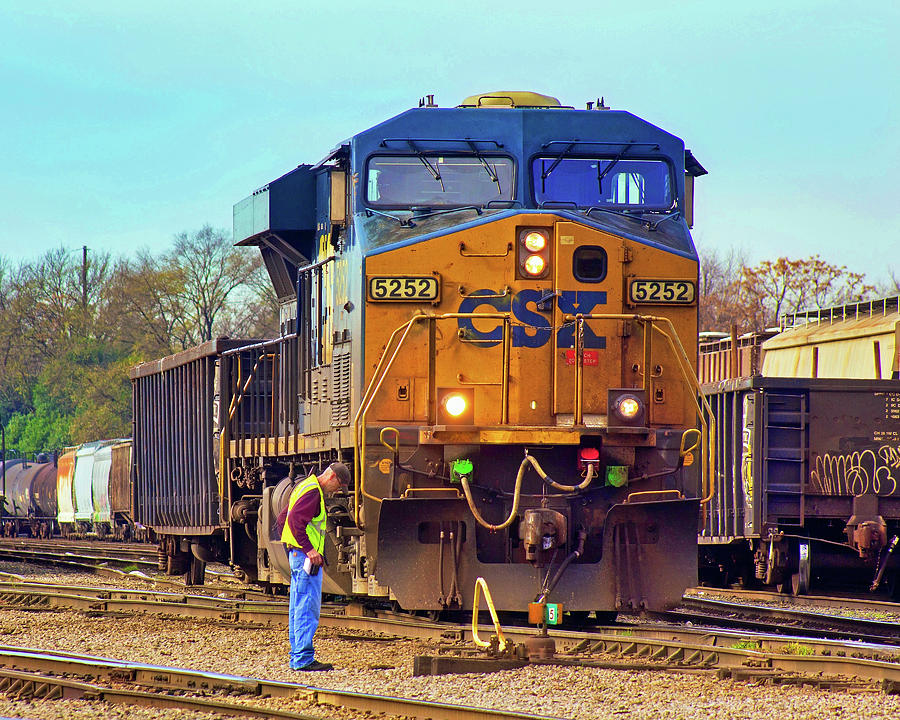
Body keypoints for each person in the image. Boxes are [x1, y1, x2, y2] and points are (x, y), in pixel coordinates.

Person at [278, 461, 351, 671]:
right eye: (338, 485)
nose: (337, 490)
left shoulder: (305, 485)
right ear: (331, 477)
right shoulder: (313, 493)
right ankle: (302, 659)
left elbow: (284, 518)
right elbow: (293, 520)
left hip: (297, 555)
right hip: (305, 558)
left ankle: (298, 656)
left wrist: (291, 546)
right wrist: (308, 549)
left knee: (297, 606)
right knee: (306, 607)